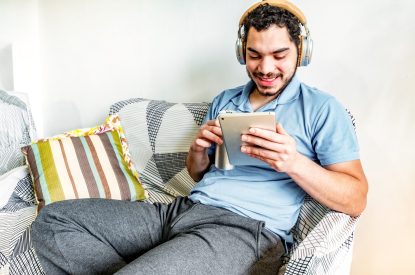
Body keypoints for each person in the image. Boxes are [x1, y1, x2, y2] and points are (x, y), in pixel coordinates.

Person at [31, 1, 368, 274]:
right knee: (53, 220)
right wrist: (198, 149)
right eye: (254, 55)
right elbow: (198, 174)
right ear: (242, 52)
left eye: (279, 55)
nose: (266, 68)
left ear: (301, 51)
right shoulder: (225, 100)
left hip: (244, 231)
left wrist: (293, 163)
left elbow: (356, 198)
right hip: (183, 211)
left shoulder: (323, 108)